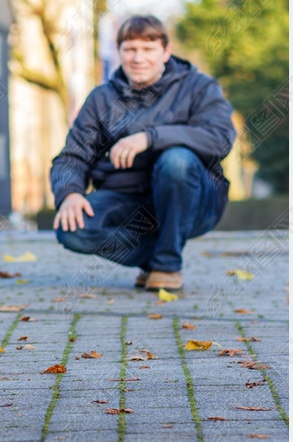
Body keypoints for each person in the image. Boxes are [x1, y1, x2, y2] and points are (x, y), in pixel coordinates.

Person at [51, 15, 235, 291]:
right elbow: (72, 156)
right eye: (130, 49)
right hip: (128, 201)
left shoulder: (199, 88)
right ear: (120, 52)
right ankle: (159, 258)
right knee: (71, 229)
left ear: (166, 52)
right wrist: (70, 193)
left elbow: (221, 138)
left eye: (148, 49)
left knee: (177, 160)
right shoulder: (102, 98)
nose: (138, 58)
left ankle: (168, 265)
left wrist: (151, 137)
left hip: (193, 199)